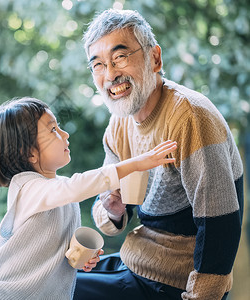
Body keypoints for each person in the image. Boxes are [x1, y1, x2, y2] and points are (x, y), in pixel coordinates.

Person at [0, 97, 177, 300]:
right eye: (52, 130)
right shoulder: (28, 187)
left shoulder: (60, 192)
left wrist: (81, 259)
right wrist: (136, 163)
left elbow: (57, 256)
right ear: (29, 154)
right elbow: (79, 186)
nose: (65, 134)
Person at [73, 9, 244, 300]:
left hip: (175, 282)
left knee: (58, 291)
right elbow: (110, 217)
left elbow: (221, 226)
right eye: (99, 65)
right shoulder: (120, 121)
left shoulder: (191, 117)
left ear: (155, 58)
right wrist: (113, 208)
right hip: (137, 262)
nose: (111, 74)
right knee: (52, 278)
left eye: (120, 58)